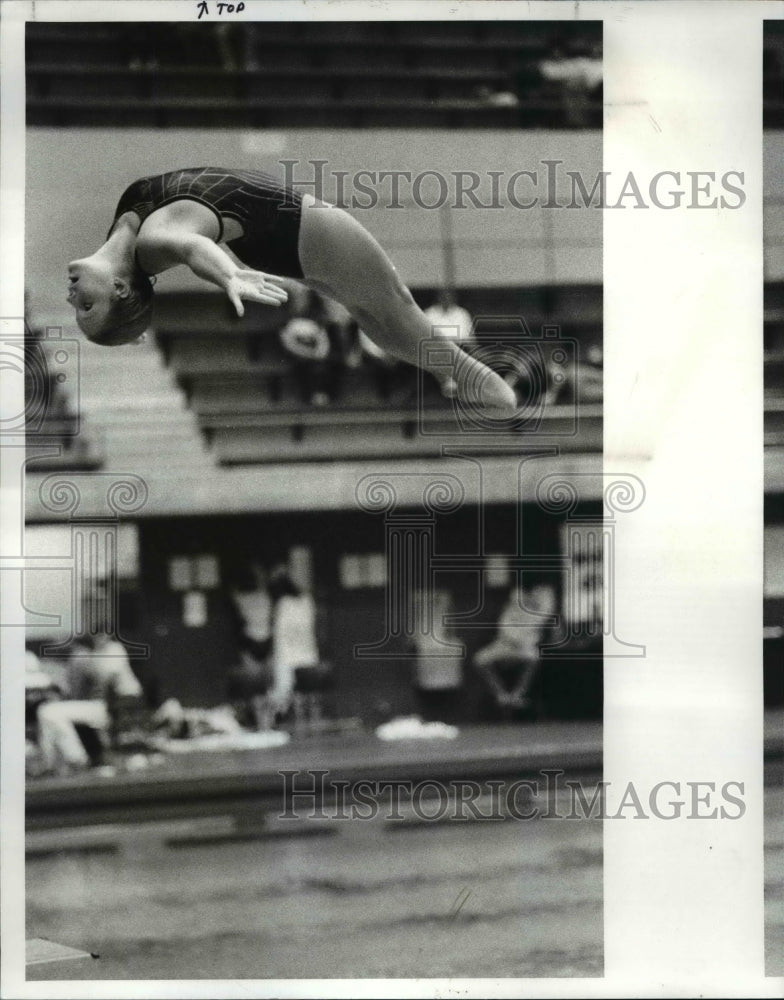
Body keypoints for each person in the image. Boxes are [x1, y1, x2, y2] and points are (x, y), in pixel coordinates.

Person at [65, 167, 517, 415]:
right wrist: (229, 276)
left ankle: (451, 372)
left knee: (374, 313)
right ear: (122, 288)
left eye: (79, 306)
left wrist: (130, 324)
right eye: (88, 304)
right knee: (392, 307)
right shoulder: (148, 243)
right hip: (301, 230)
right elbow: (190, 244)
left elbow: (186, 244)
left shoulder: (126, 225)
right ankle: (474, 376)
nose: (72, 297)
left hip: (287, 244)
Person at [36, 633, 143, 774]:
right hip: (98, 706)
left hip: (101, 707)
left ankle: (75, 759)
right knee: (48, 714)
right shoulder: (90, 657)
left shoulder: (84, 657)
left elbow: (78, 692)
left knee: (48, 712)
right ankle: (53, 764)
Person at [474, 581, 556, 717]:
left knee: (534, 658)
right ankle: (501, 694)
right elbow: (504, 629)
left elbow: (545, 611)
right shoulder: (512, 609)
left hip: (523, 649)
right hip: (503, 645)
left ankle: (518, 694)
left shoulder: (538, 614)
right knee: (479, 659)